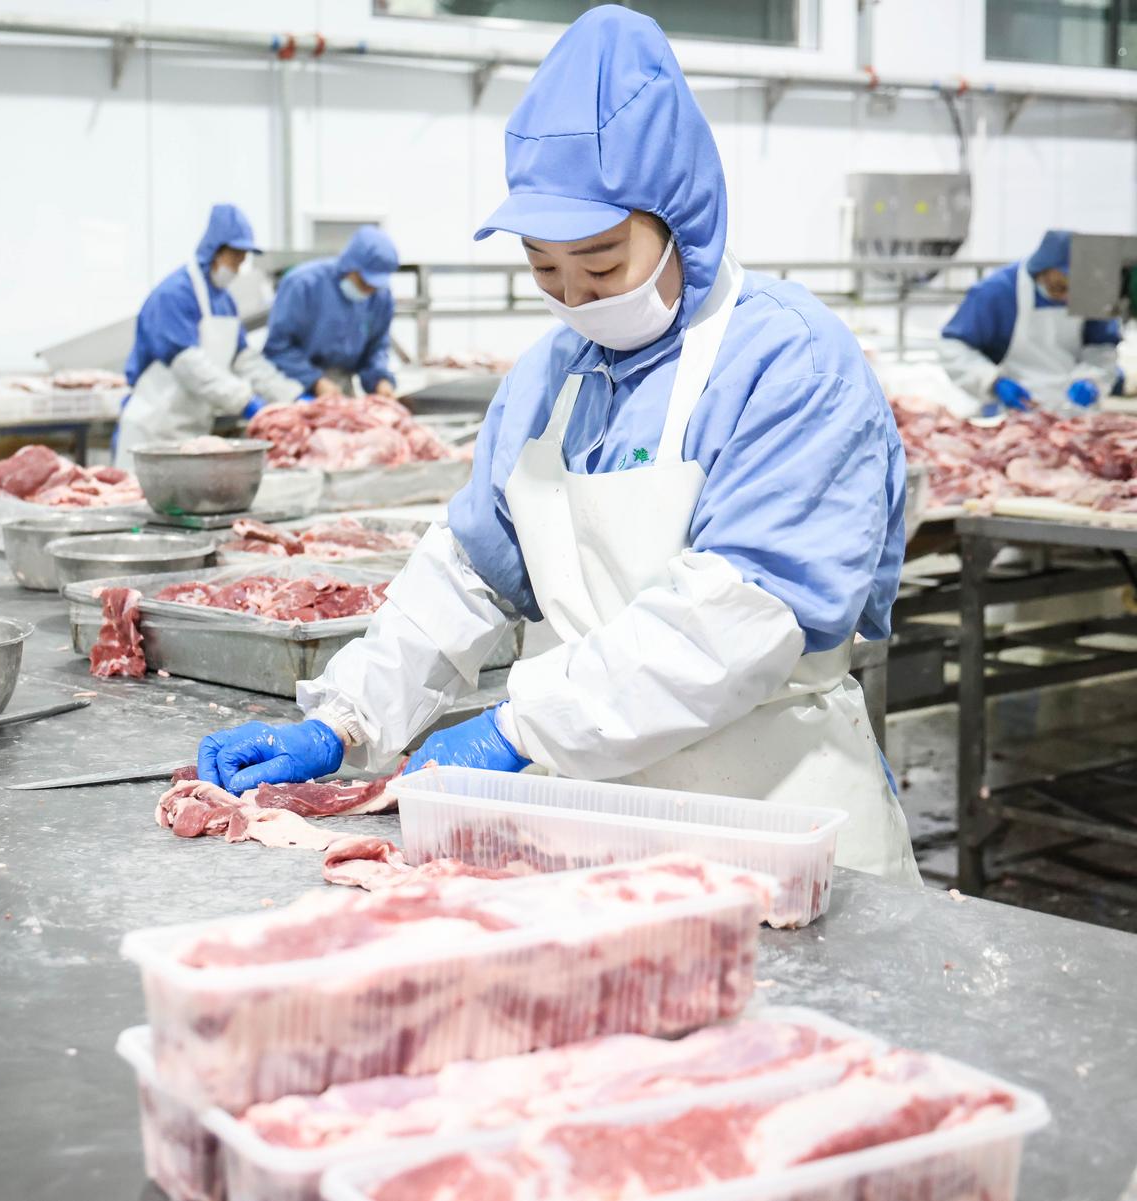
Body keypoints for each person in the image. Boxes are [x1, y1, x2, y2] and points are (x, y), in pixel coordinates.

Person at [193, 6, 920, 882]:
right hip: (591, 834)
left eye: (603, 264)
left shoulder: (790, 361)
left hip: (779, 828)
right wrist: (346, 715)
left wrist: (518, 725)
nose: (575, 297)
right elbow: (467, 574)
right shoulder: (550, 377)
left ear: (682, 218)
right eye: (545, 267)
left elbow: (737, 622)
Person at [115, 204, 303, 470]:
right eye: (235, 257)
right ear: (215, 250)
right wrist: (247, 402)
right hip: (152, 432)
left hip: (194, 435)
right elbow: (190, 367)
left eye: (243, 258)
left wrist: (291, 395)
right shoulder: (173, 295)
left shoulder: (225, 301)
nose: (239, 266)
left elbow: (245, 361)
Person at [939, 230, 1123, 415]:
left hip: (1075, 413)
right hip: (1011, 412)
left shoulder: (1091, 294)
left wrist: (1092, 380)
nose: (1067, 297)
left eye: (1074, 290)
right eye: (1059, 287)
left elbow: (1102, 347)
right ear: (1040, 271)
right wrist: (993, 381)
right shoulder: (997, 292)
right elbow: (953, 347)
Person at [263, 226, 399, 399]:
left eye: (374, 286)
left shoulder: (380, 297)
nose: (368, 290)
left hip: (340, 388)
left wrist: (380, 380)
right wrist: (315, 381)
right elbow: (277, 347)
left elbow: (376, 348)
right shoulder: (303, 285)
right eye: (363, 282)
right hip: (294, 386)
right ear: (349, 265)